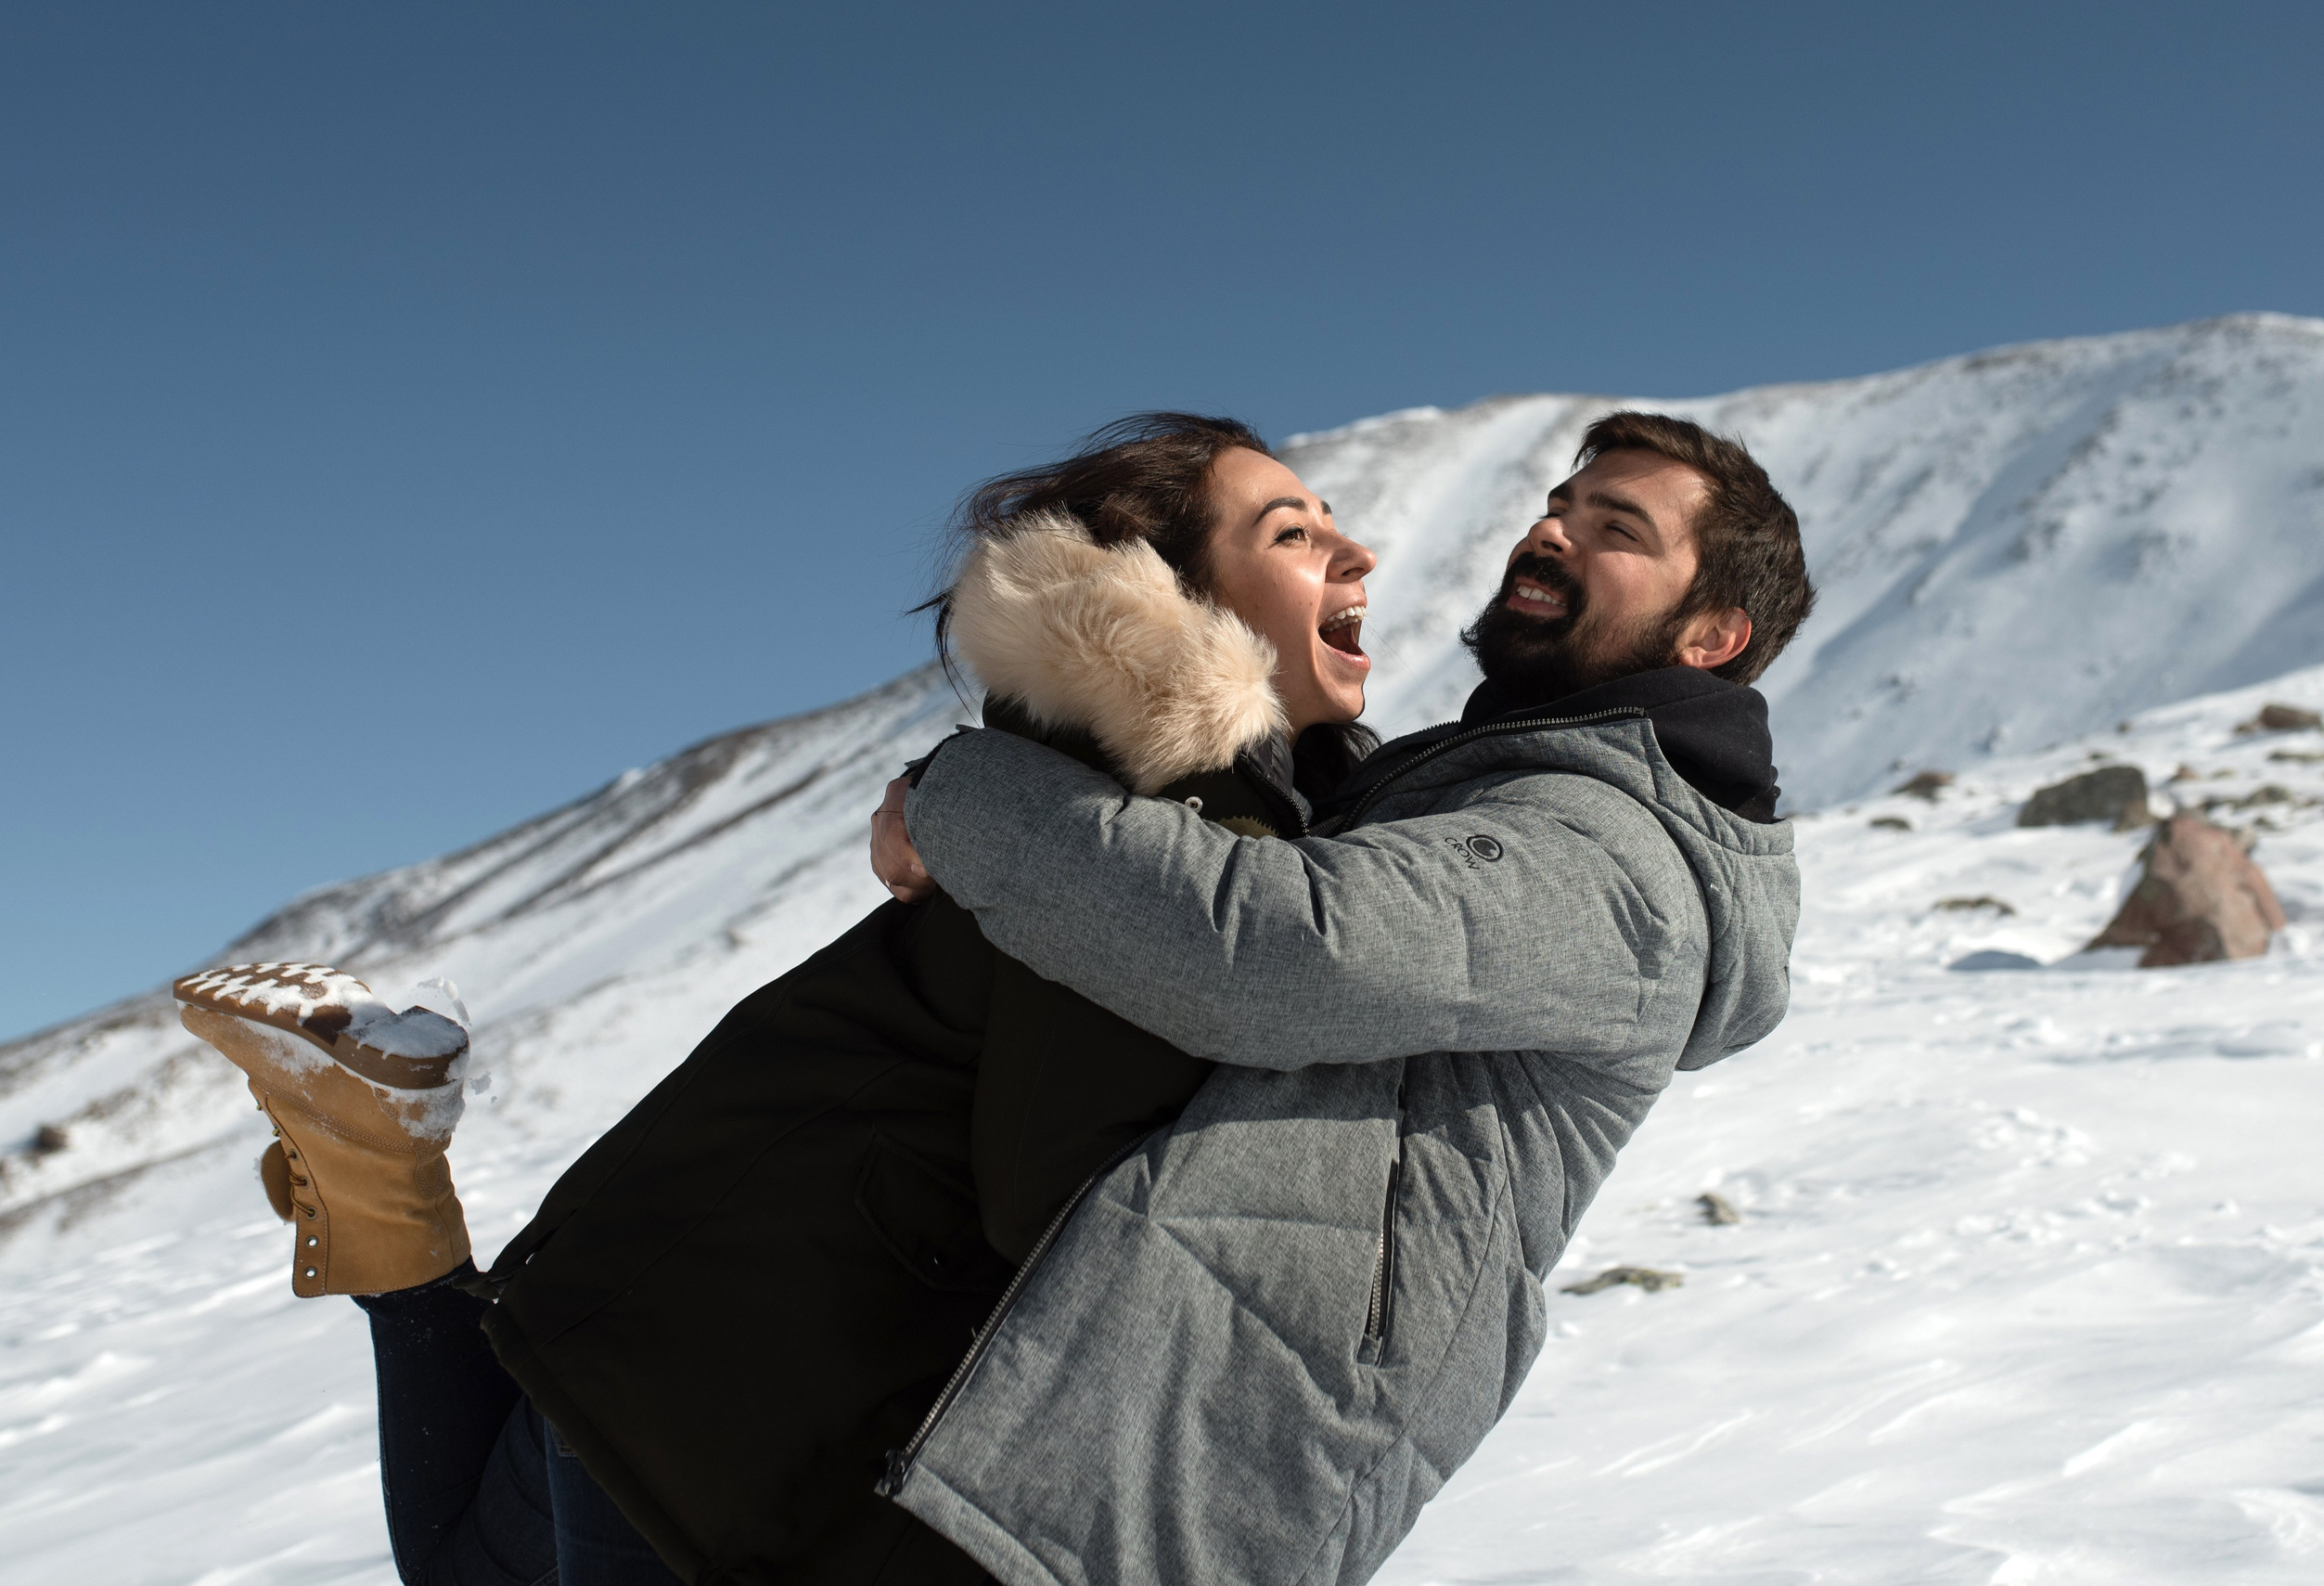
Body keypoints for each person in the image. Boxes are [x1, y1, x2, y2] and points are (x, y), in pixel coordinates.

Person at [173, 414, 1382, 1585]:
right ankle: (390, 1195)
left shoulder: (1043, 791)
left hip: (655, 1296)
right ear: (1174, 594)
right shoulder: (1166, 843)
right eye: (1290, 533)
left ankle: (386, 1180)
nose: (1356, 552)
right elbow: (1065, 1194)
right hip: (744, 1390)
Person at [868, 410, 1814, 1585]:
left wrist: (959, 798)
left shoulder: (1615, 862)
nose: (1550, 532)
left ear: (1715, 633)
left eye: (1614, 528)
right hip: (1106, 1421)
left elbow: (1278, 950)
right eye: (1560, 505)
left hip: (1177, 1469)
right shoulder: (1487, 789)